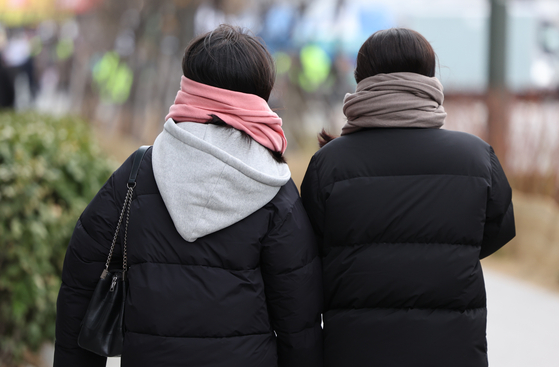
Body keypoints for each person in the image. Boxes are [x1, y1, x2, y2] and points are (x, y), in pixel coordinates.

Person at [54, 25, 323, 367]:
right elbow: (298, 315)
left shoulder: (137, 173)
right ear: (260, 94)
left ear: (189, 85)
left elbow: (81, 285)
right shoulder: (274, 188)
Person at [300, 28, 515, 367]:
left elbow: (312, 245)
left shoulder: (329, 163)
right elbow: (497, 230)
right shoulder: (476, 156)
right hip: (453, 350)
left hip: (356, 350)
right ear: (430, 78)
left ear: (361, 79)